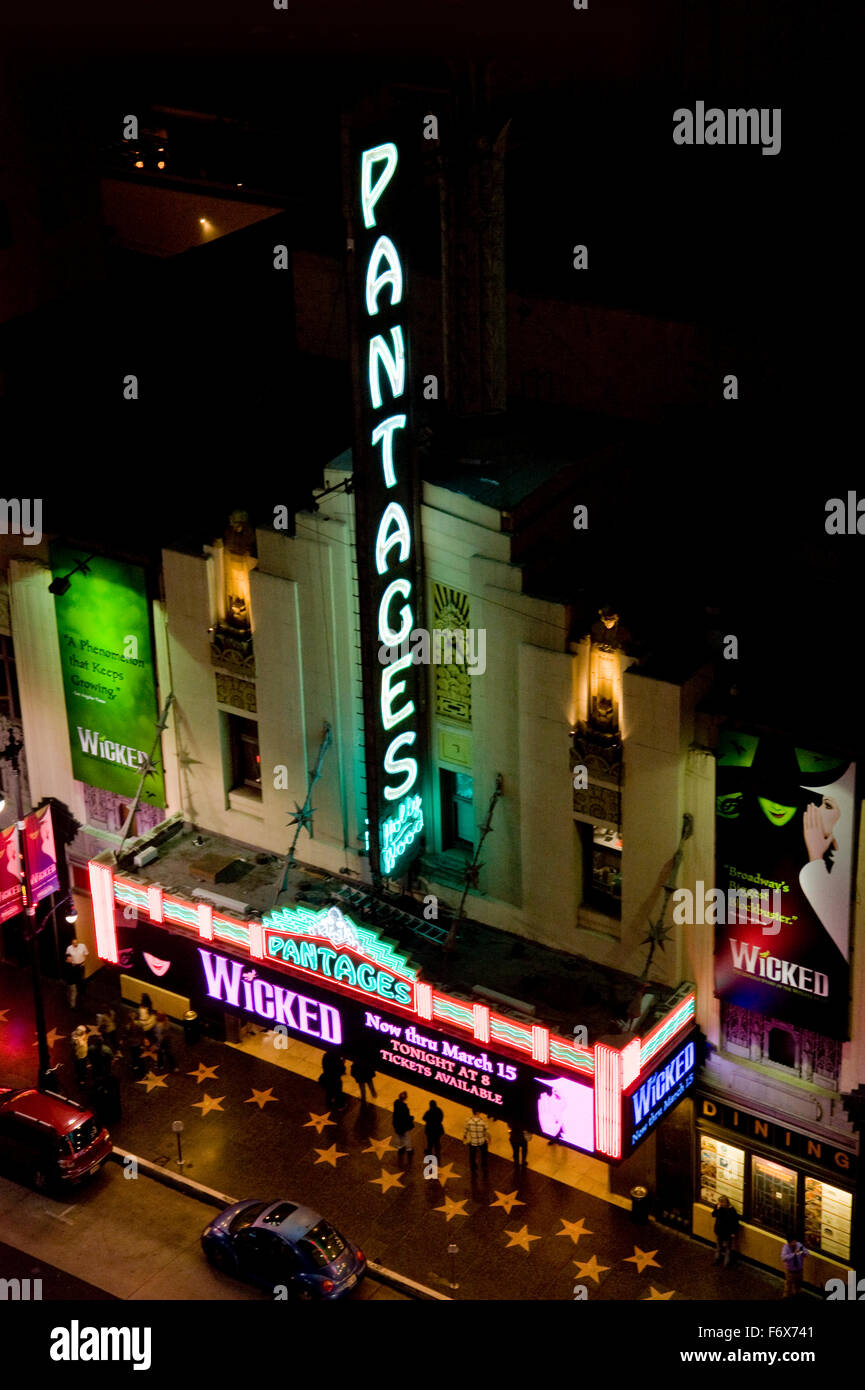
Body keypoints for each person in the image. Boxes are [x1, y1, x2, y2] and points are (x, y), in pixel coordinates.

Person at [712, 1195, 739, 1267]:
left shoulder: (731, 1211)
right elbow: (714, 1215)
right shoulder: (719, 1208)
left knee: (726, 1248)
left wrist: (733, 1232)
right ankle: (718, 1259)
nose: (719, 1204)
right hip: (720, 1231)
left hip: (727, 1232)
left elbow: (734, 1222)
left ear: (725, 1203)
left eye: (721, 1203)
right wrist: (717, 1209)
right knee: (720, 1247)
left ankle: (725, 1263)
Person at [64, 937, 89, 1009]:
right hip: (74, 966)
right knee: (76, 980)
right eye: (74, 943)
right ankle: (73, 1000)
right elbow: (67, 956)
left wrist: (84, 961)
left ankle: (81, 991)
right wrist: (72, 963)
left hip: (81, 965)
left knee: (82, 979)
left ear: (78, 942)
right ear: (72, 943)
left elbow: (86, 953)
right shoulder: (69, 948)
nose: (75, 944)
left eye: (76, 943)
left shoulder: (82, 946)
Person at [463, 1109, 490, 1174]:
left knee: (472, 1155)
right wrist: (489, 1139)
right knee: (484, 1154)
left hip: (473, 1141)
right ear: (478, 1112)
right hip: (482, 1141)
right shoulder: (482, 1121)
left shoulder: (468, 1121)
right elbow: (487, 1132)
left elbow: (465, 1130)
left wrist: (464, 1136)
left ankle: (473, 1166)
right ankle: (484, 1166)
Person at [392, 1092, 414, 1159]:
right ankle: (409, 1149)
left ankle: (400, 1146)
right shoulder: (405, 1108)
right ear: (405, 1098)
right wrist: (411, 1118)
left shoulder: (396, 1103)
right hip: (404, 1125)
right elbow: (406, 1117)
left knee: (399, 1136)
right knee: (407, 1137)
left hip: (397, 1123)